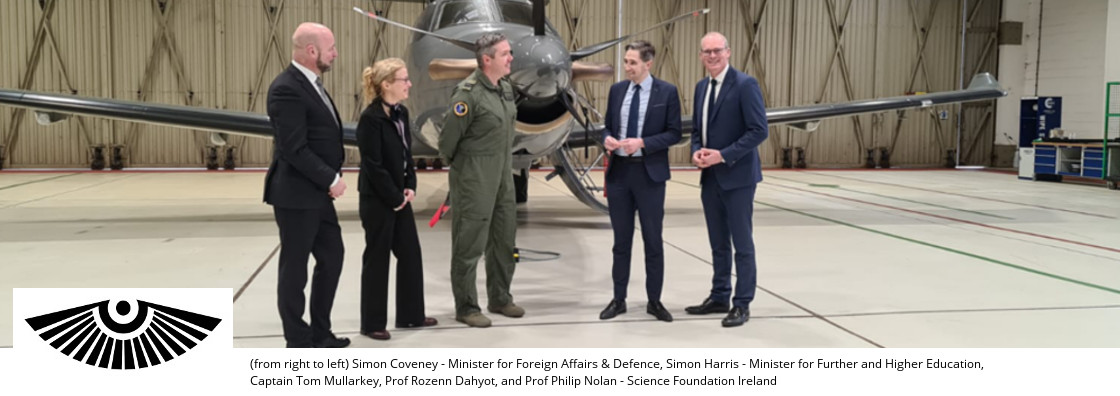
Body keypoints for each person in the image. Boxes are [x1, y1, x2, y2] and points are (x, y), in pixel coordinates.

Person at [263, 22, 349, 347]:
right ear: (312, 51)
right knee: (295, 270)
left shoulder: (311, 84)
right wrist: (331, 178)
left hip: (318, 195)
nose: (336, 54)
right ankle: (297, 339)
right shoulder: (286, 88)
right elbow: (294, 148)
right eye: (332, 48)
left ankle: (320, 332)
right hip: (296, 195)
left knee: (333, 257)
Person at [439, 33, 522, 328]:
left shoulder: (506, 90)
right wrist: (466, 171)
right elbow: (447, 142)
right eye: (505, 54)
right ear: (487, 60)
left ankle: (500, 298)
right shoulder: (468, 94)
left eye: (509, 52)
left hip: (503, 175)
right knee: (469, 243)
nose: (511, 58)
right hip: (474, 178)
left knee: (503, 239)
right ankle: (466, 306)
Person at [686, 32, 768, 328]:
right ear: (700, 56)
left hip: (738, 177)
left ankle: (742, 303)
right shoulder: (701, 88)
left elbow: (759, 130)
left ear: (728, 52)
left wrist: (723, 155)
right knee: (718, 242)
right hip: (710, 178)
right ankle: (720, 295)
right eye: (706, 51)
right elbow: (697, 130)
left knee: (742, 243)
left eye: (717, 50)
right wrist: (697, 151)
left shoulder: (745, 85)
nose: (712, 56)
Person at [598, 40, 681, 323]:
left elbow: (674, 133)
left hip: (649, 176)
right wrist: (606, 138)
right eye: (625, 61)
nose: (627, 67)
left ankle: (654, 301)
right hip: (620, 174)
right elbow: (607, 125)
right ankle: (618, 299)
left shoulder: (667, 92)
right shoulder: (617, 90)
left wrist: (643, 143)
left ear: (648, 63)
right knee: (621, 242)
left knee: (652, 241)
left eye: (632, 62)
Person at [355, 58, 438, 341]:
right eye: (404, 79)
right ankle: (372, 322)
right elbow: (373, 165)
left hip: (400, 198)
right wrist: (393, 196)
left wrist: (410, 186)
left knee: (411, 255)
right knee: (377, 259)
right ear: (386, 84)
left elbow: (406, 155)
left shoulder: (402, 114)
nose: (409, 84)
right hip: (378, 200)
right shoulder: (370, 119)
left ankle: (411, 315)